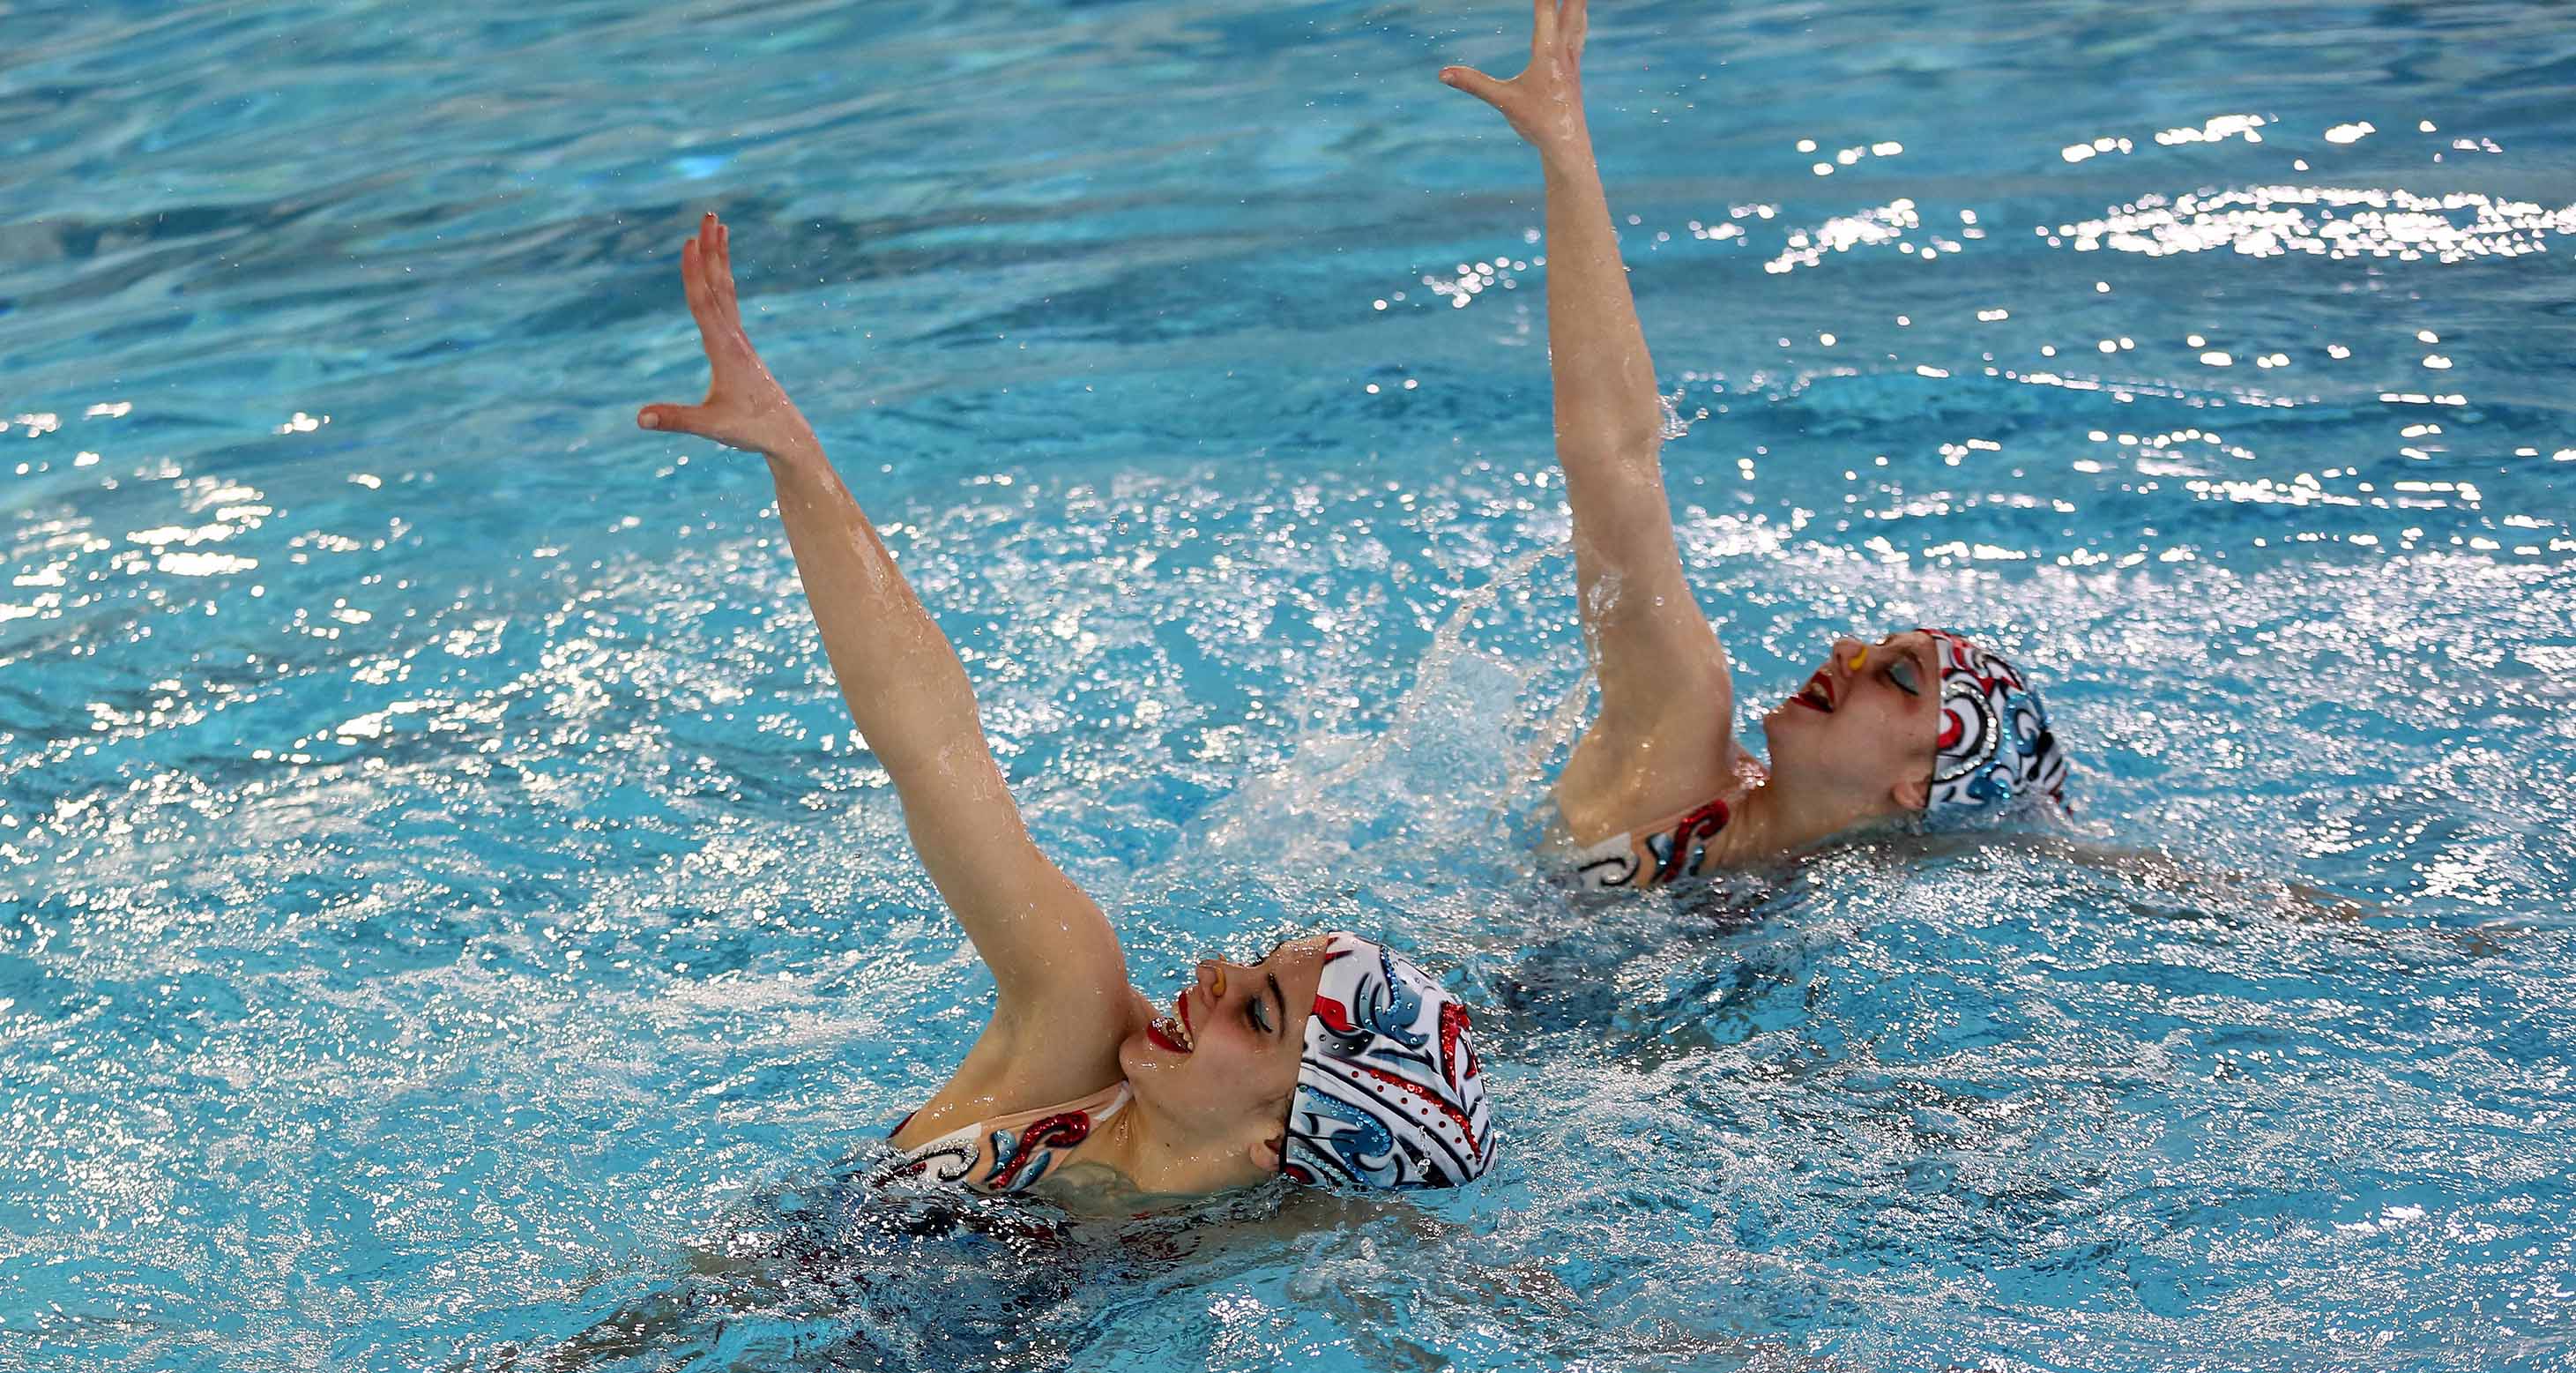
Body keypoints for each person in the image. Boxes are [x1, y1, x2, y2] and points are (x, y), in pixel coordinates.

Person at [636, 215, 1496, 1200]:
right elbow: (935, 747)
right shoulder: (1074, 1031)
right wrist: (796, 459)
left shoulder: (1296, 1245)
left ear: (1280, 1142)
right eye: (1257, 970)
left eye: (1257, 1013)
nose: (1216, 971)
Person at [1441, 1, 2071, 892]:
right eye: (1883, 649)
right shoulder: (1675, 751)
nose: (1850, 650)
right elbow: (1613, 456)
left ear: (1916, 787)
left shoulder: (1860, 906)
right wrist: (1567, 156)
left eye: (1895, 677)